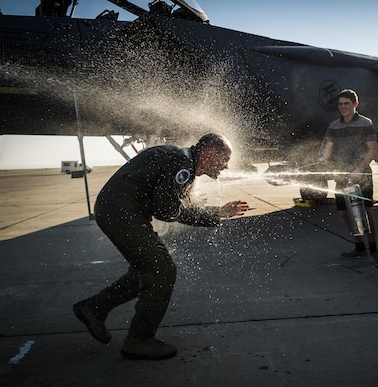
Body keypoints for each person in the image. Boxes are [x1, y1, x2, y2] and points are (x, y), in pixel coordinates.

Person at [73, 133, 249, 360]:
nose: (226, 166)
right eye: (224, 159)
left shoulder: (182, 160)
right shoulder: (182, 164)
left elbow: (171, 206)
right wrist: (214, 213)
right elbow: (166, 211)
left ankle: (94, 309)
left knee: (145, 270)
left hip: (117, 209)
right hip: (122, 212)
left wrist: (217, 212)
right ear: (208, 153)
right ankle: (139, 340)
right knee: (162, 270)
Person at [318, 89, 378, 267]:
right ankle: (359, 247)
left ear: (355, 104)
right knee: (343, 212)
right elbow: (328, 146)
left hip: (361, 174)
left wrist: (358, 170)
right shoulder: (334, 125)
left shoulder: (365, 123)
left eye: (346, 103)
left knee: (367, 211)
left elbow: (372, 149)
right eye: (340, 104)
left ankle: (373, 249)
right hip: (341, 173)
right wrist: (324, 158)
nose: (343, 107)